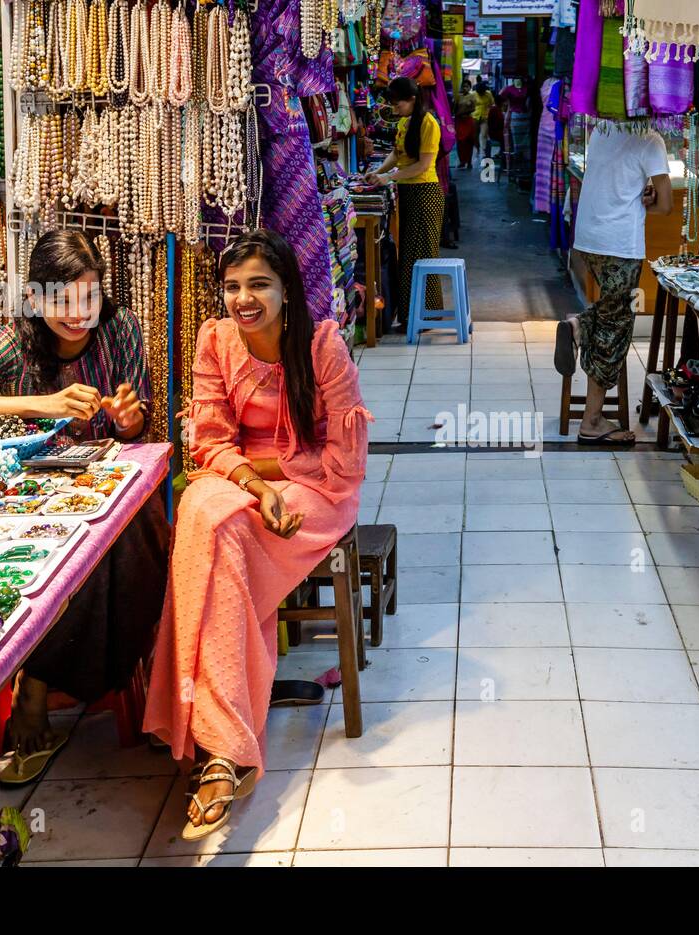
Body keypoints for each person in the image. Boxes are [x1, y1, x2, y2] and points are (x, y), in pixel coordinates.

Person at [144, 228, 371, 841]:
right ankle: (226, 744)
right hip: (247, 482)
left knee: (224, 537)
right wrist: (255, 482)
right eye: (233, 286)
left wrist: (270, 475)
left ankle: (217, 745)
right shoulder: (215, 341)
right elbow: (209, 444)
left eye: (258, 285)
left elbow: (344, 463)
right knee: (199, 512)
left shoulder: (322, 347)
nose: (243, 299)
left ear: (287, 291)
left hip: (318, 495)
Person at [0, 228, 170, 783]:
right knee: (63, 558)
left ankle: (40, 678)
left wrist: (131, 419)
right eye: (62, 300)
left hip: (109, 491)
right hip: (26, 502)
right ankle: (36, 683)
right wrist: (41, 405)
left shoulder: (121, 329)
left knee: (128, 544)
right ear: (36, 299)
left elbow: (138, 421)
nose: (79, 313)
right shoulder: (14, 343)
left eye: (89, 297)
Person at [555, 125, 672, 445]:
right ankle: (591, 421)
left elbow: (616, 181)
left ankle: (580, 324)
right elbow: (666, 205)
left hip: (588, 240)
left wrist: (641, 192)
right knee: (615, 330)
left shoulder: (600, 131)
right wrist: (649, 196)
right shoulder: (650, 140)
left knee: (611, 314)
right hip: (619, 245)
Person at [364, 76, 444, 331]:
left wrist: (388, 176)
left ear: (412, 99)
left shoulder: (429, 124)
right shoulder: (406, 122)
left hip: (425, 194)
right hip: (408, 193)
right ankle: (411, 315)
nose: (396, 110)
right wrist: (378, 171)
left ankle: (427, 316)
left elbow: (421, 165)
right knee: (408, 256)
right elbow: (397, 154)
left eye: (399, 105)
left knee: (423, 256)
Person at [454, 79, 477, 170]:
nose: (465, 88)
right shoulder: (458, 97)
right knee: (460, 142)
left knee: (469, 141)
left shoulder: (472, 96)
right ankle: (462, 161)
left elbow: (473, 108)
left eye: (467, 86)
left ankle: (470, 162)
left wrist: (463, 112)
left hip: (468, 120)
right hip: (459, 121)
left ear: (470, 87)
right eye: (463, 86)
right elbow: (455, 109)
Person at [473, 81, 494, 160]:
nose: (481, 94)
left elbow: (492, 104)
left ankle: (483, 152)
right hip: (475, 117)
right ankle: (477, 149)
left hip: (485, 117)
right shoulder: (473, 94)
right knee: (475, 136)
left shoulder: (488, 94)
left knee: (483, 135)